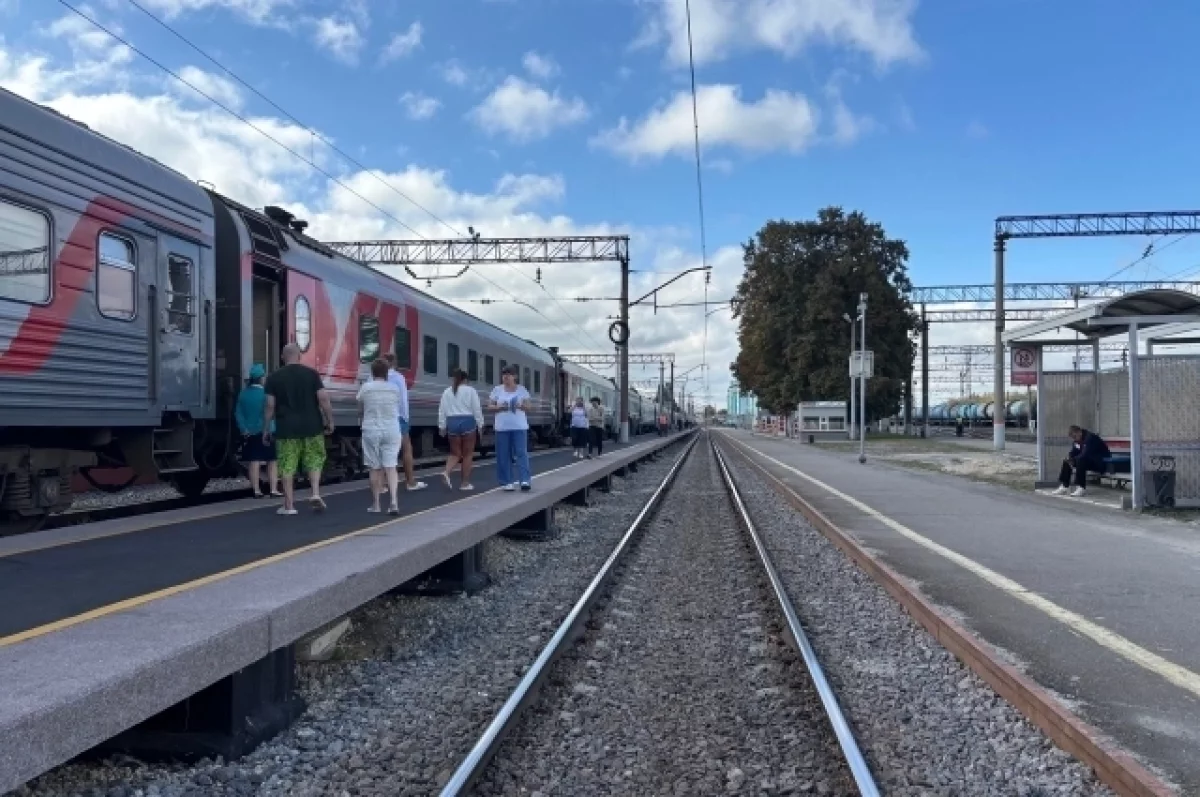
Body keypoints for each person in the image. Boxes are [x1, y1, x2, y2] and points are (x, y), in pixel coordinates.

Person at [263, 343, 333, 515]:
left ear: (282, 357)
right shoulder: (312, 374)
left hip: (286, 428)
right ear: (300, 356)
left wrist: (266, 428)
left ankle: (289, 505)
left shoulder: (273, 377)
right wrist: (330, 420)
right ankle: (315, 493)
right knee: (314, 459)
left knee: (287, 465)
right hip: (312, 426)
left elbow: (270, 405)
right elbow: (323, 398)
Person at [357, 358, 402, 514]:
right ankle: (394, 502)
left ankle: (376, 505)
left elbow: (360, 409)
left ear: (372, 372)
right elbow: (398, 407)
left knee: (374, 468)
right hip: (391, 429)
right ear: (386, 373)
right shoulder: (394, 388)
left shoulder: (365, 388)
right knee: (391, 467)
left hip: (371, 430)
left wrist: (362, 419)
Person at [383, 352, 427, 493]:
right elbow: (402, 400)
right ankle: (410, 482)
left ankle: (385, 484)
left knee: (386, 451)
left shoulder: (373, 377)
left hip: (381, 418)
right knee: (406, 449)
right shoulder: (398, 377)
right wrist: (406, 419)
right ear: (394, 363)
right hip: (397, 417)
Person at [235, 363, 280, 499]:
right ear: (261, 378)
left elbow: (238, 414)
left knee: (254, 461)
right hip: (268, 431)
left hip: (250, 433)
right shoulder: (267, 394)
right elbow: (271, 411)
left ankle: (256, 490)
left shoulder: (243, 395)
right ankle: (273, 489)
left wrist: (244, 429)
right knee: (272, 460)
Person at [437, 368, 484, 490]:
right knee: (468, 455)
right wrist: (480, 424)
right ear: (466, 379)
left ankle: (446, 472)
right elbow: (476, 409)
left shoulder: (447, 391)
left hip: (452, 422)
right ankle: (465, 484)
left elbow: (442, 410)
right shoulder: (471, 391)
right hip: (467, 422)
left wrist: (442, 426)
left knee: (455, 454)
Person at [488, 365, 532, 491]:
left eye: (509, 374)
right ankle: (506, 482)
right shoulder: (497, 390)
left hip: (519, 427)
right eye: (504, 374)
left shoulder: (522, 390)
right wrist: (499, 408)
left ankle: (524, 480)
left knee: (521, 453)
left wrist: (520, 406)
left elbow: (529, 407)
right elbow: (490, 406)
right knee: (503, 455)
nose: (506, 376)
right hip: (502, 427)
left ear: (515, 377)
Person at [1054, 424, 1111, 497]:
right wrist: (1069, 457)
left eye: (1075, 437)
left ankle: (1081, 487)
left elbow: (1086, 453)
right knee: (1067, 461)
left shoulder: (1090, 438)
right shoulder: (1077, 440)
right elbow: (1074, 451)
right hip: (1088, 461)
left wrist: (1073, 460)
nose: (1074, 439)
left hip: (1099, 462)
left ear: (1079, 432)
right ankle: (1065, 486)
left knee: (1080, 460)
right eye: (1073, 438)